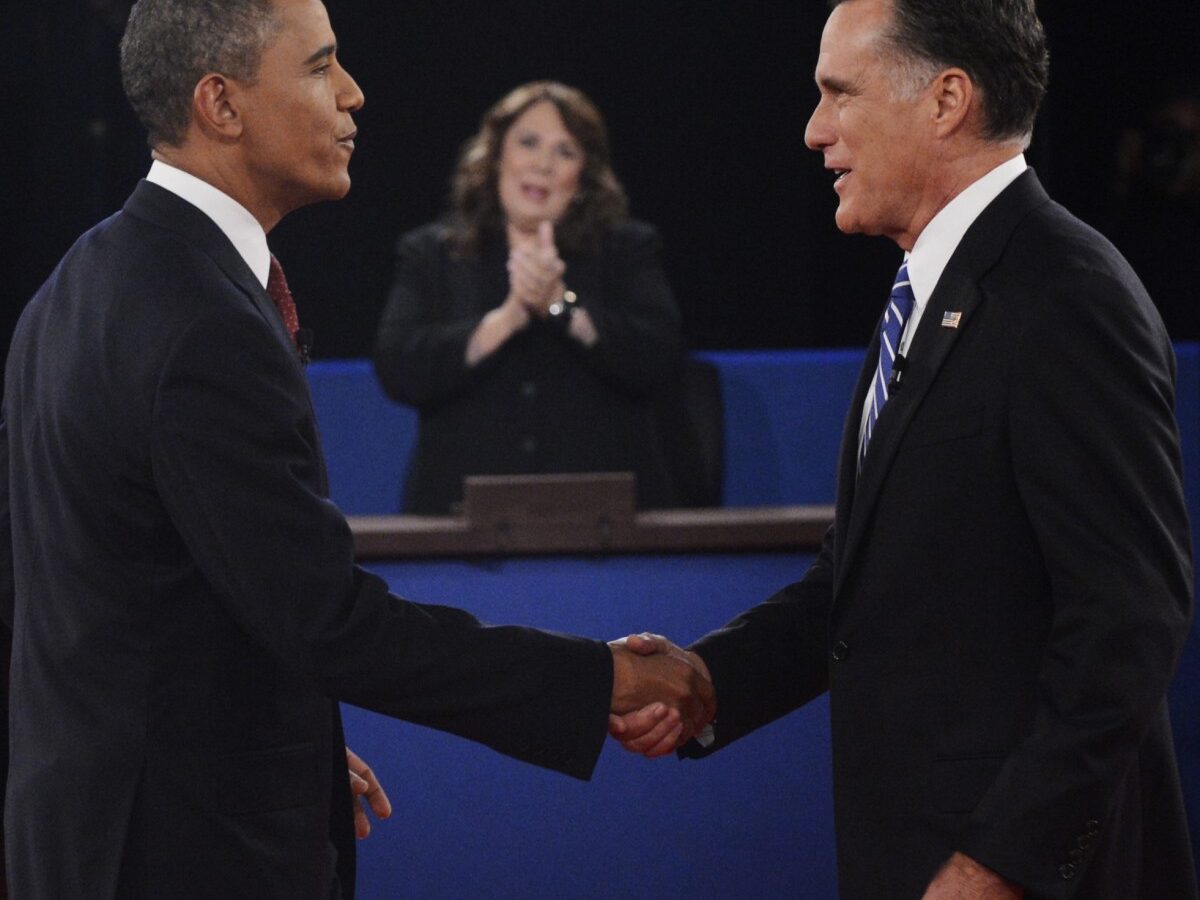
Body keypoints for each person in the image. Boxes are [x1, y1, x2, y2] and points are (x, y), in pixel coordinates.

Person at [0, 1, 713, 897]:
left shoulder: (76, 286)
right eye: (320, 66)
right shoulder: (201, 320)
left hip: (100, 836)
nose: (354, 94)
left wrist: (272, 755)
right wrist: (595, 677)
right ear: (221, 104)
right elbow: (326, 619)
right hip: (186, 860)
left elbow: (97, 602)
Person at [610, 1, 1198, 897]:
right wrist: (707, 678)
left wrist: (1002, 861)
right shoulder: (930, 293)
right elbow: (863, 586)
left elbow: (1129, 621)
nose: (814, 132)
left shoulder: (1066, 296)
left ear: (946, 100)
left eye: (839, 93)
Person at [372, 81, 684, 514]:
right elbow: (398, 367)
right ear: (497, 155)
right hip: (457, 521)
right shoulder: (432, 254)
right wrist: (507, 319)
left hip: (604, 522)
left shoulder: (627, 249)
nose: (543, 164)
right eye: (529, 142)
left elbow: (658, 359)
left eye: (565, 151)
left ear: (584, 177)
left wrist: (561, 304)